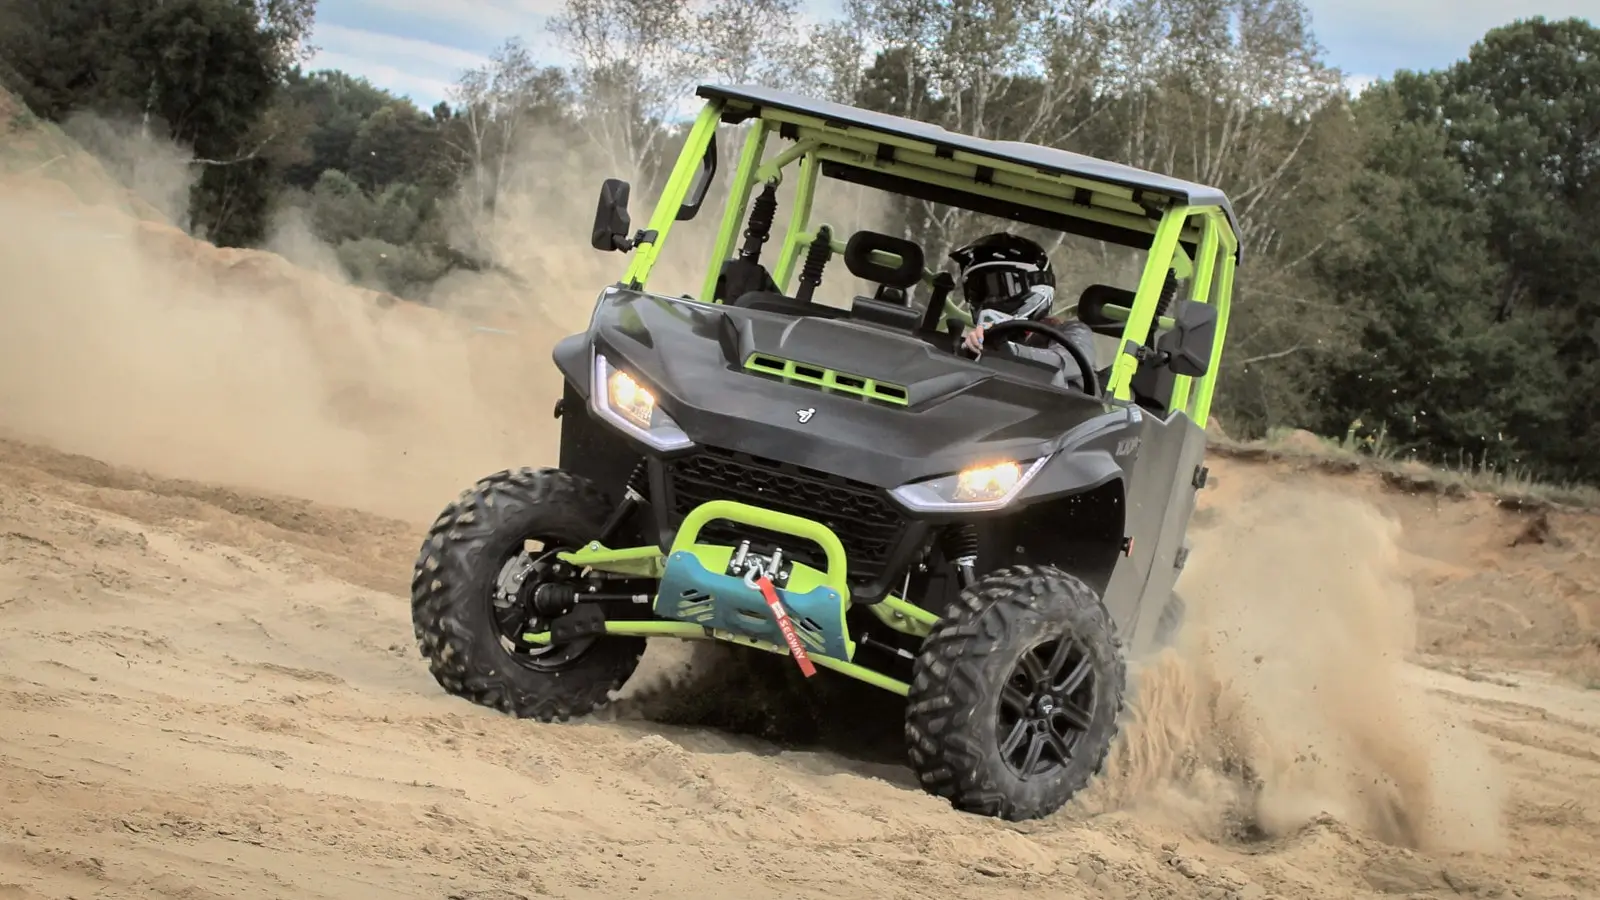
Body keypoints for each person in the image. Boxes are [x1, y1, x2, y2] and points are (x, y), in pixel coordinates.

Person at [947, 232, 1098, 389]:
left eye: (1000, 289)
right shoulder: (983, 343)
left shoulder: (1073, 331)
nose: (989, 301)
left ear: (1036, 285)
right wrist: (966, 357)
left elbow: (1068, 361)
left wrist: (1008, 352)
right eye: (978, 292)